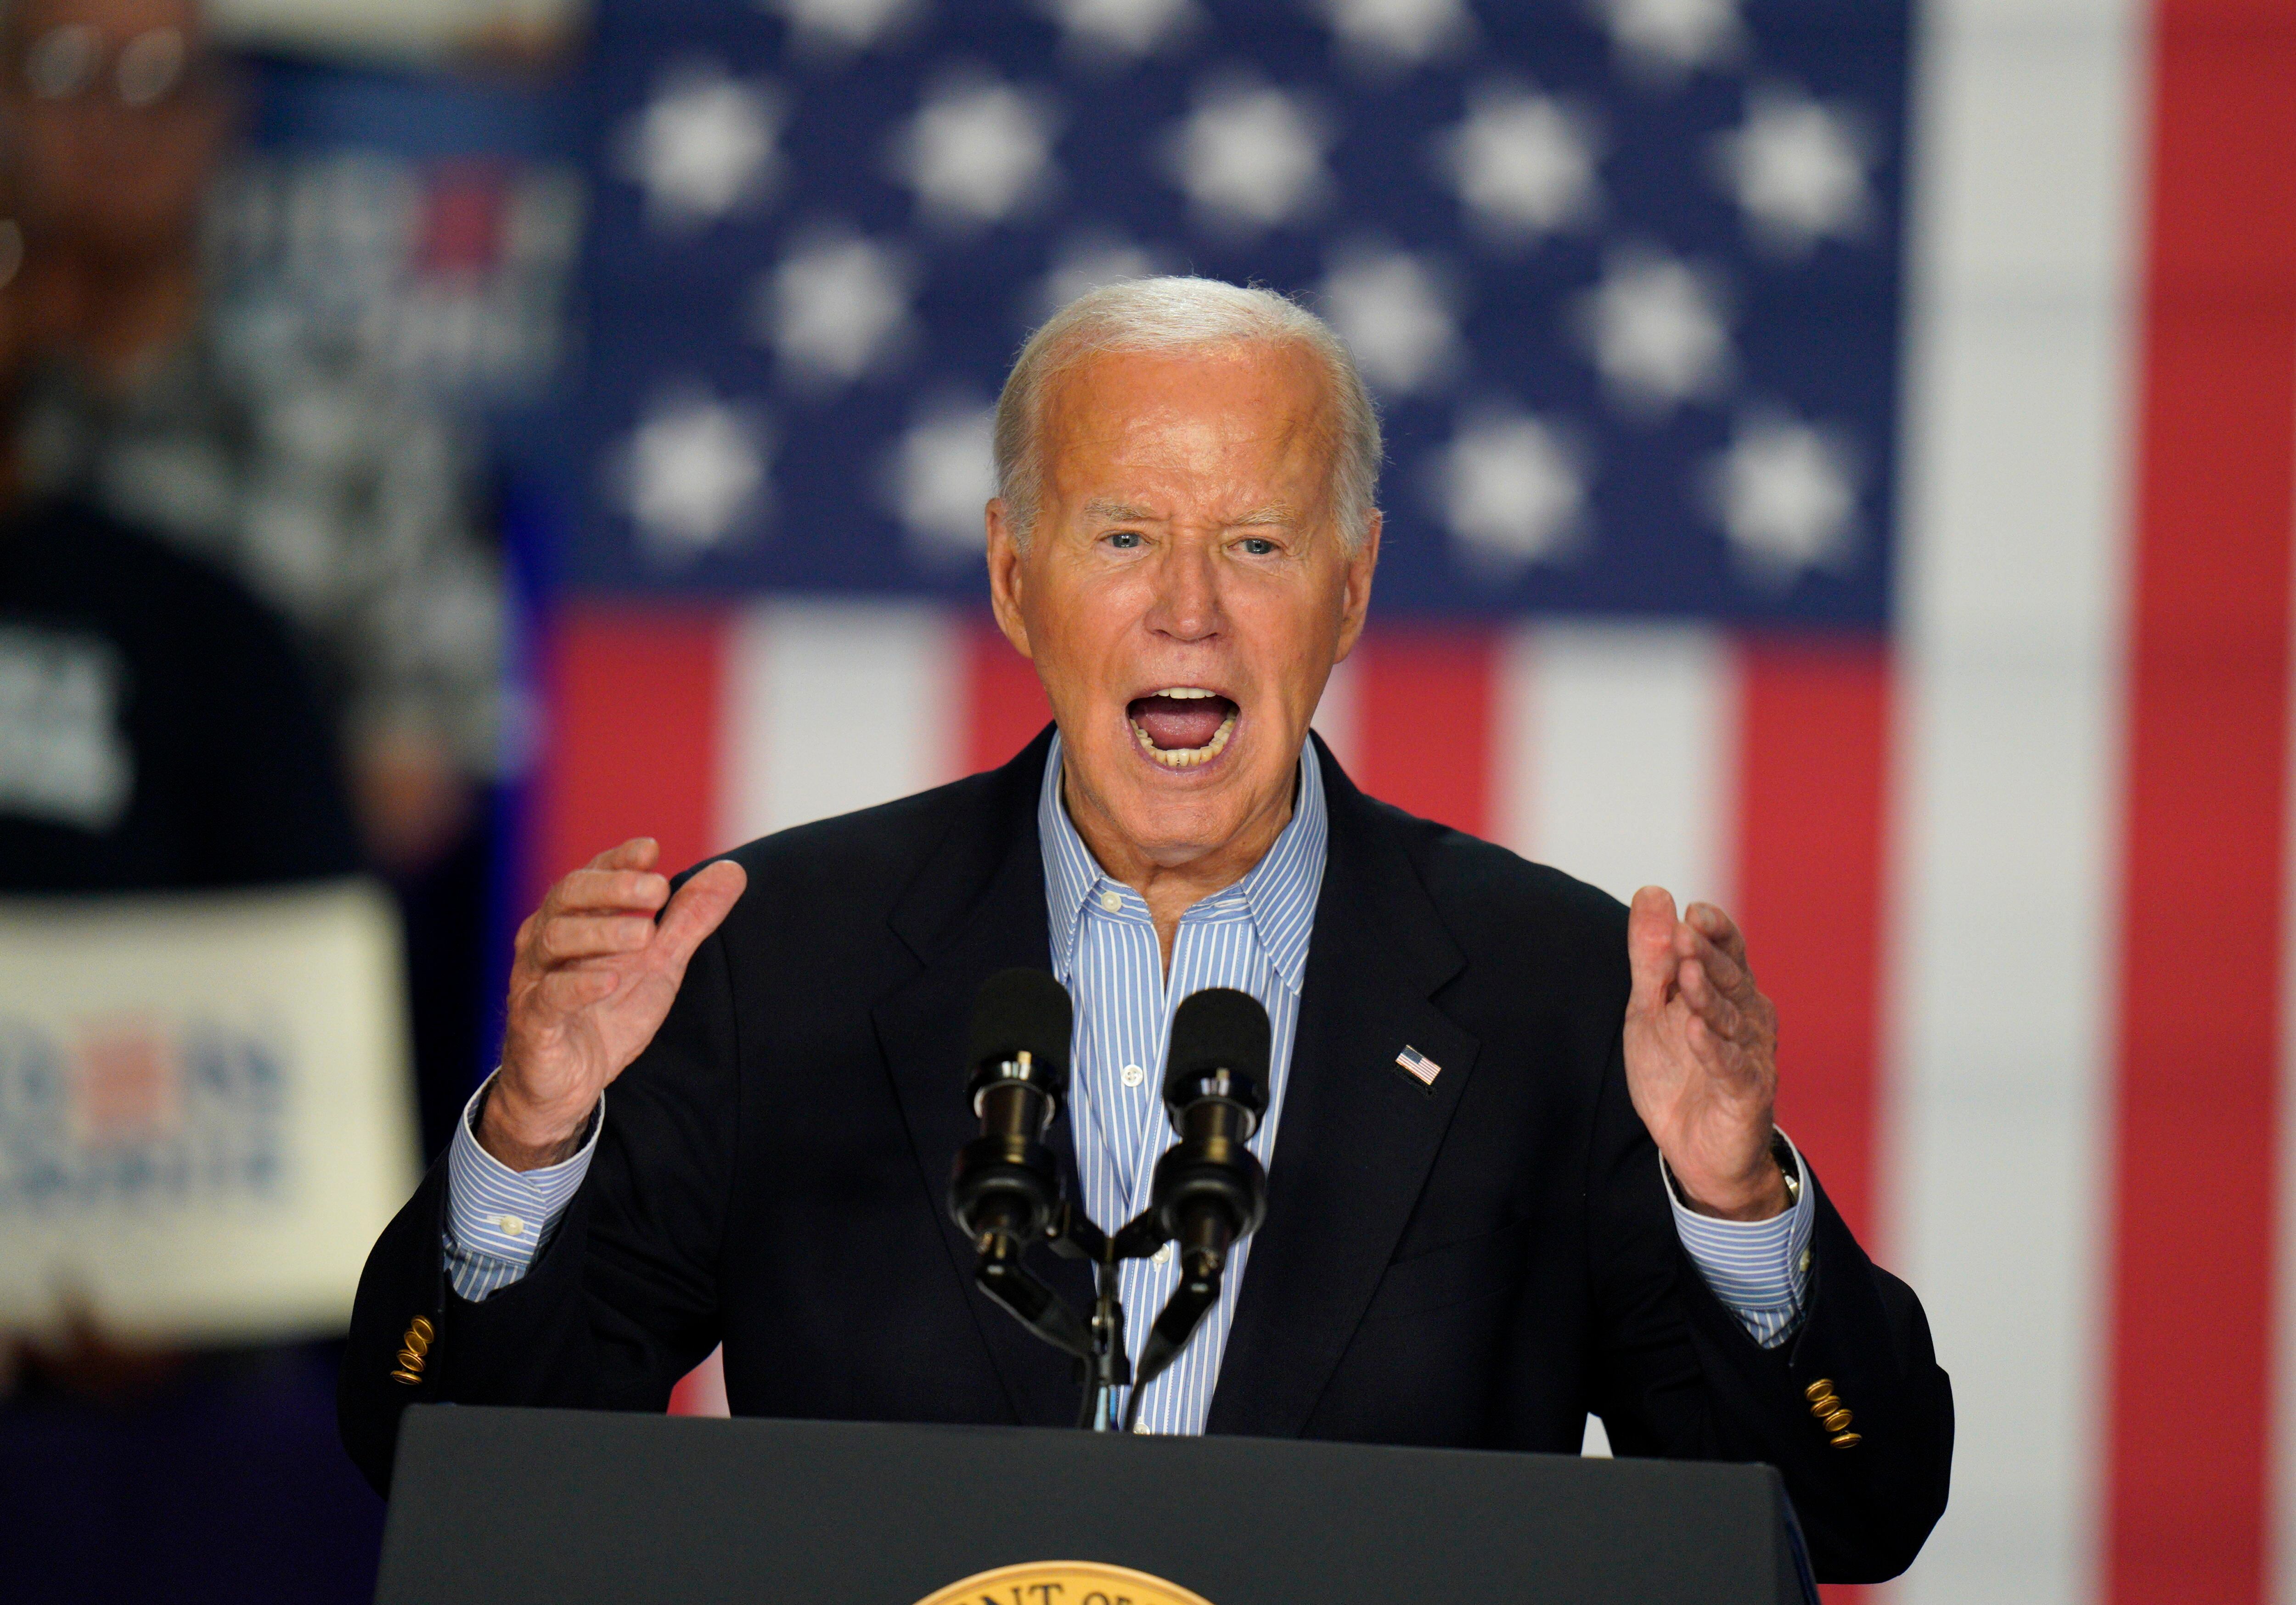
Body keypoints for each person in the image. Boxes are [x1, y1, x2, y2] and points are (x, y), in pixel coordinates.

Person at [340, 280, 1952, 1582]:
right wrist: (532, 1142)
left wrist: (1732, 1198)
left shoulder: (1549, 995)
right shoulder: (781, 959)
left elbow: (1859, 1509)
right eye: (1124, 536)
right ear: (1013, 573)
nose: (1190, 607)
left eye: (1256, 542)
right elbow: (449, 1457)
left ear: (1353, 586)